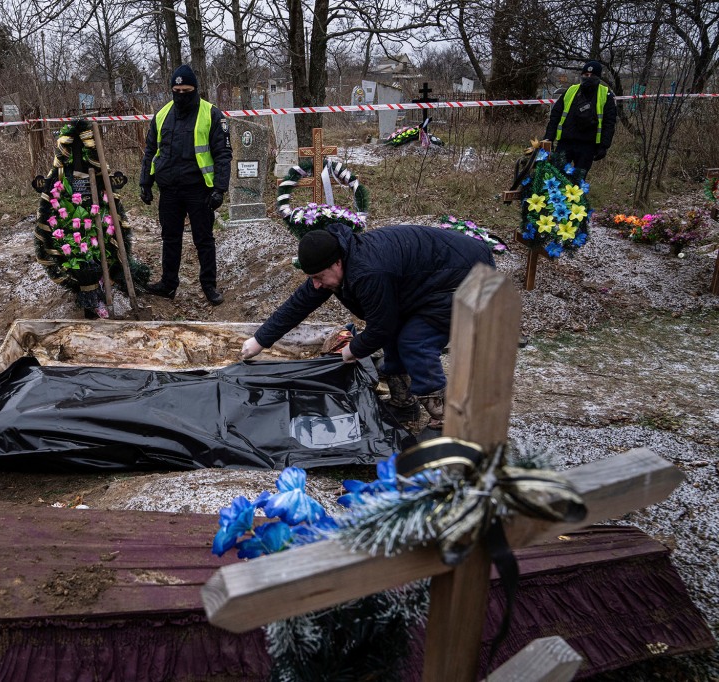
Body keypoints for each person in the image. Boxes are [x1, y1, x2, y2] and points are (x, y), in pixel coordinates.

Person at [239, 224, 495, 430]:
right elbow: (298, 305)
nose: (316, 284)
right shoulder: (335, 262)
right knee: (396, 336)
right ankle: (403, 404)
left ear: (336, 264)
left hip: (467, 279)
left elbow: (381, 327)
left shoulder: (367, 272)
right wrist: (260, 340)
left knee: (415, 341)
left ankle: (448, 416)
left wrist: (353, 350)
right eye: (311, 278)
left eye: (318, 277)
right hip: (433, 278)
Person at [139, 64, 232, 306]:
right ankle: (168, 284)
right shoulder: (161, 115)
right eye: (176, 90)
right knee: (170, 238)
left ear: (195, 89)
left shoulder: (211, 114)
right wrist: (145, 182)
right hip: (169, 189)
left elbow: (223, 154)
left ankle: (209, 286)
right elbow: (151, 151)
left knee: (203, 239)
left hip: (198, 190)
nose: (181, 94)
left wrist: (219, 189)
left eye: (186, 90)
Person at [543, 60, 617, 175]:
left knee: (578, 181)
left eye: (592, 75)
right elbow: (555, 115)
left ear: (598, 77)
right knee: (556, 177)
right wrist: (549, 137)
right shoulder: (571, 91)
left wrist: (604, 146)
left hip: (587, 145)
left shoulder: (605, 94)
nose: (588, 77)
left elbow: (609, 122)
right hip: (565, 142)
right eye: (586, 75)